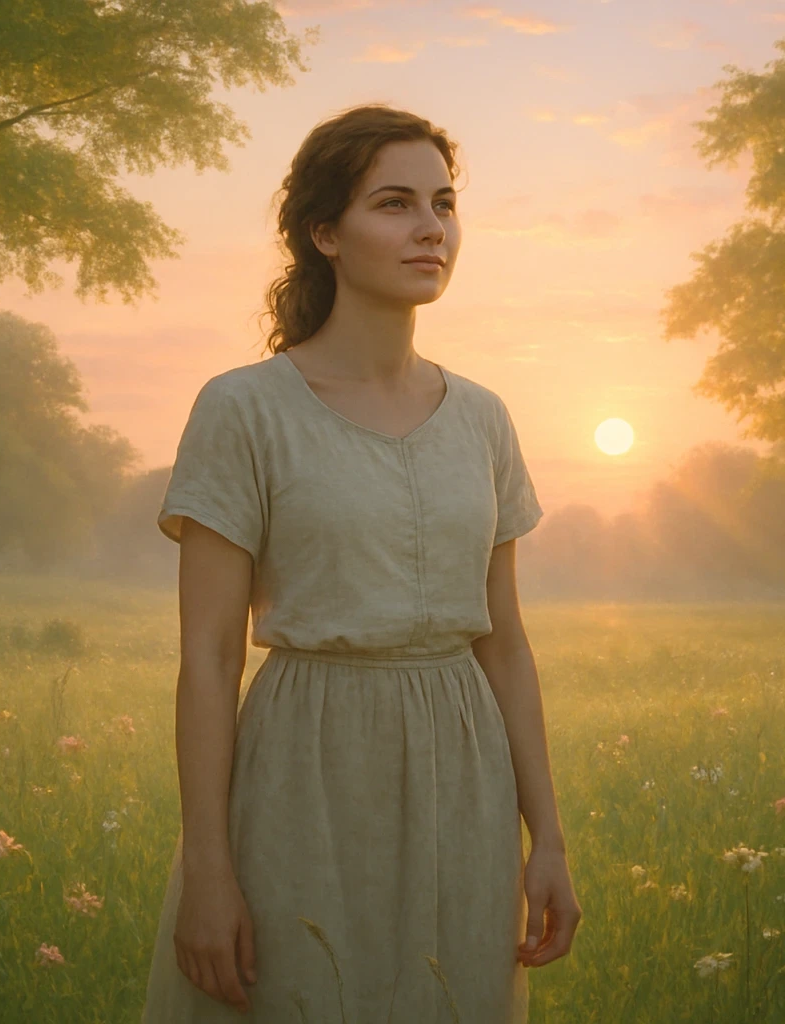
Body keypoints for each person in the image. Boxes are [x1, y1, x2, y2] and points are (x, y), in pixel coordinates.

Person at [141, 103, 580, 1022]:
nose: (431, 228)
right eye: (395, 204)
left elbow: (504, 644)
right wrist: (209, 873)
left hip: (465, 781)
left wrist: (549, 841)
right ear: (324, 233)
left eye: (444, 202)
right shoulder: (244, 410)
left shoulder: (484, 418)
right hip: (303, 771)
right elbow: (210, 660)